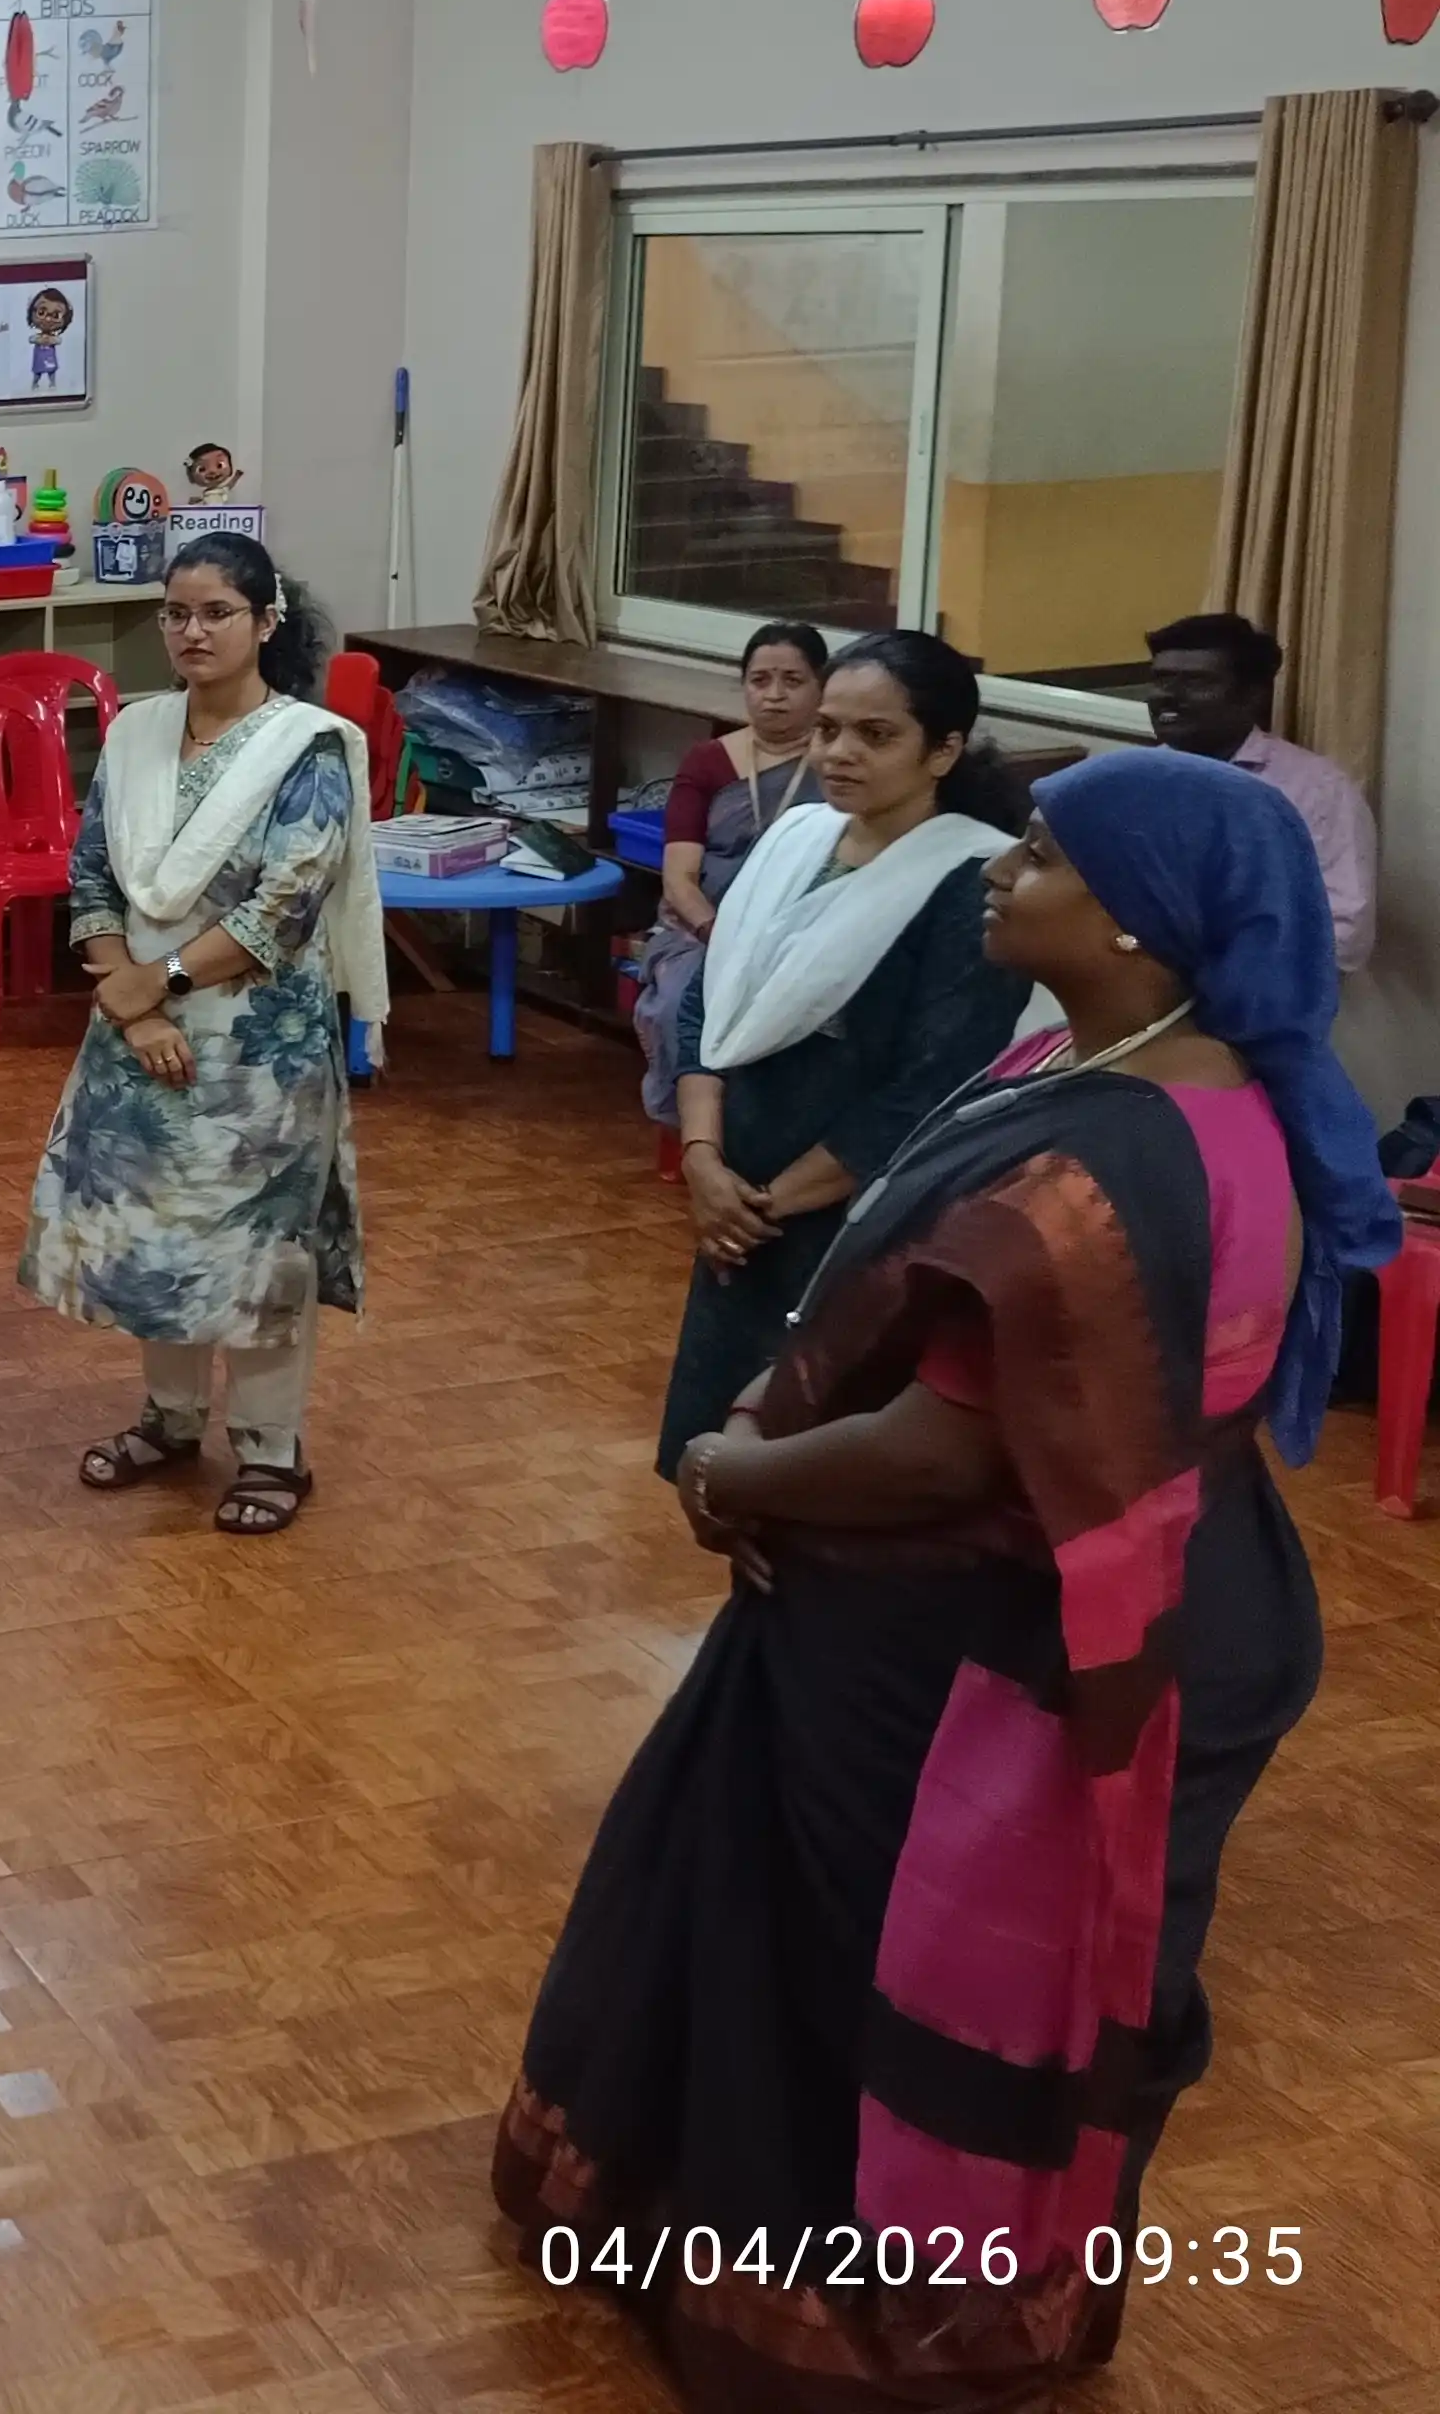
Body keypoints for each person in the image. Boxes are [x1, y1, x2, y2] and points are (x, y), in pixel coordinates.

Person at [500, 751, 1395, 2406]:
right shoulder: (1133, 1066)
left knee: (864, 1965)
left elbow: (955, 1446)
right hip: (1026, 1591)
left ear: (1138, 924)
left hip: (979, 1635)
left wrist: (732, 1463)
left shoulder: (1112, 1168)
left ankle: (838, 2316)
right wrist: (775, 1406)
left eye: (1042, 852)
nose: (1005, 867)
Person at [22, 530, 386, 1537]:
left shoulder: (303, 748)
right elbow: (90, 875)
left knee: (260, 1248)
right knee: (155, 1236)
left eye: (217, 612)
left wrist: (161, 979)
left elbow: (284, 908)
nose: (192, 630)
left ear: (265, 622)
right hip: (137, 1027)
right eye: (176, 612)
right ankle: (170, 1420)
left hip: (256, 1047)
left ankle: (272, 1449)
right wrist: (132, 1004)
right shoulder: (136, 733)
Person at [658, 630, 1036, 1472]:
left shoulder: (969, 881)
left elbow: (935, 1086)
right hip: (735, 1198)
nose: (839, 752)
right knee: (722, 1454)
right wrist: (702, 1160)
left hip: (857, 1215)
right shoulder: (796, 839)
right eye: (829, 729)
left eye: (875, 735)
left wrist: (762, 1205)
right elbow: (711, 1005)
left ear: (943, 750)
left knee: (816, 1454)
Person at [627, 623, 827, 1129]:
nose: (774, 696)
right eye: (760, 681)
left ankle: (770, 1137)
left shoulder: (839, 764)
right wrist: (724, 936)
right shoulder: (709, 762)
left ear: (823, 686)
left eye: (792, 681)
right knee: (680, 1002)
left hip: (806, 929)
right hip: (702, 931)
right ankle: (690, 1134)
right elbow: (679, 879)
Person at [1144, 609, 1376, 975]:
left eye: (1195, 681)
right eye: (1161, 679)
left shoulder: (1315, 790)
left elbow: (1345, 933)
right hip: (1131, 995)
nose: (1168, 697)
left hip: (1253, 1003)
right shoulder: (1134, 780)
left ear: (1251, 697)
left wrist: (1224, 971)